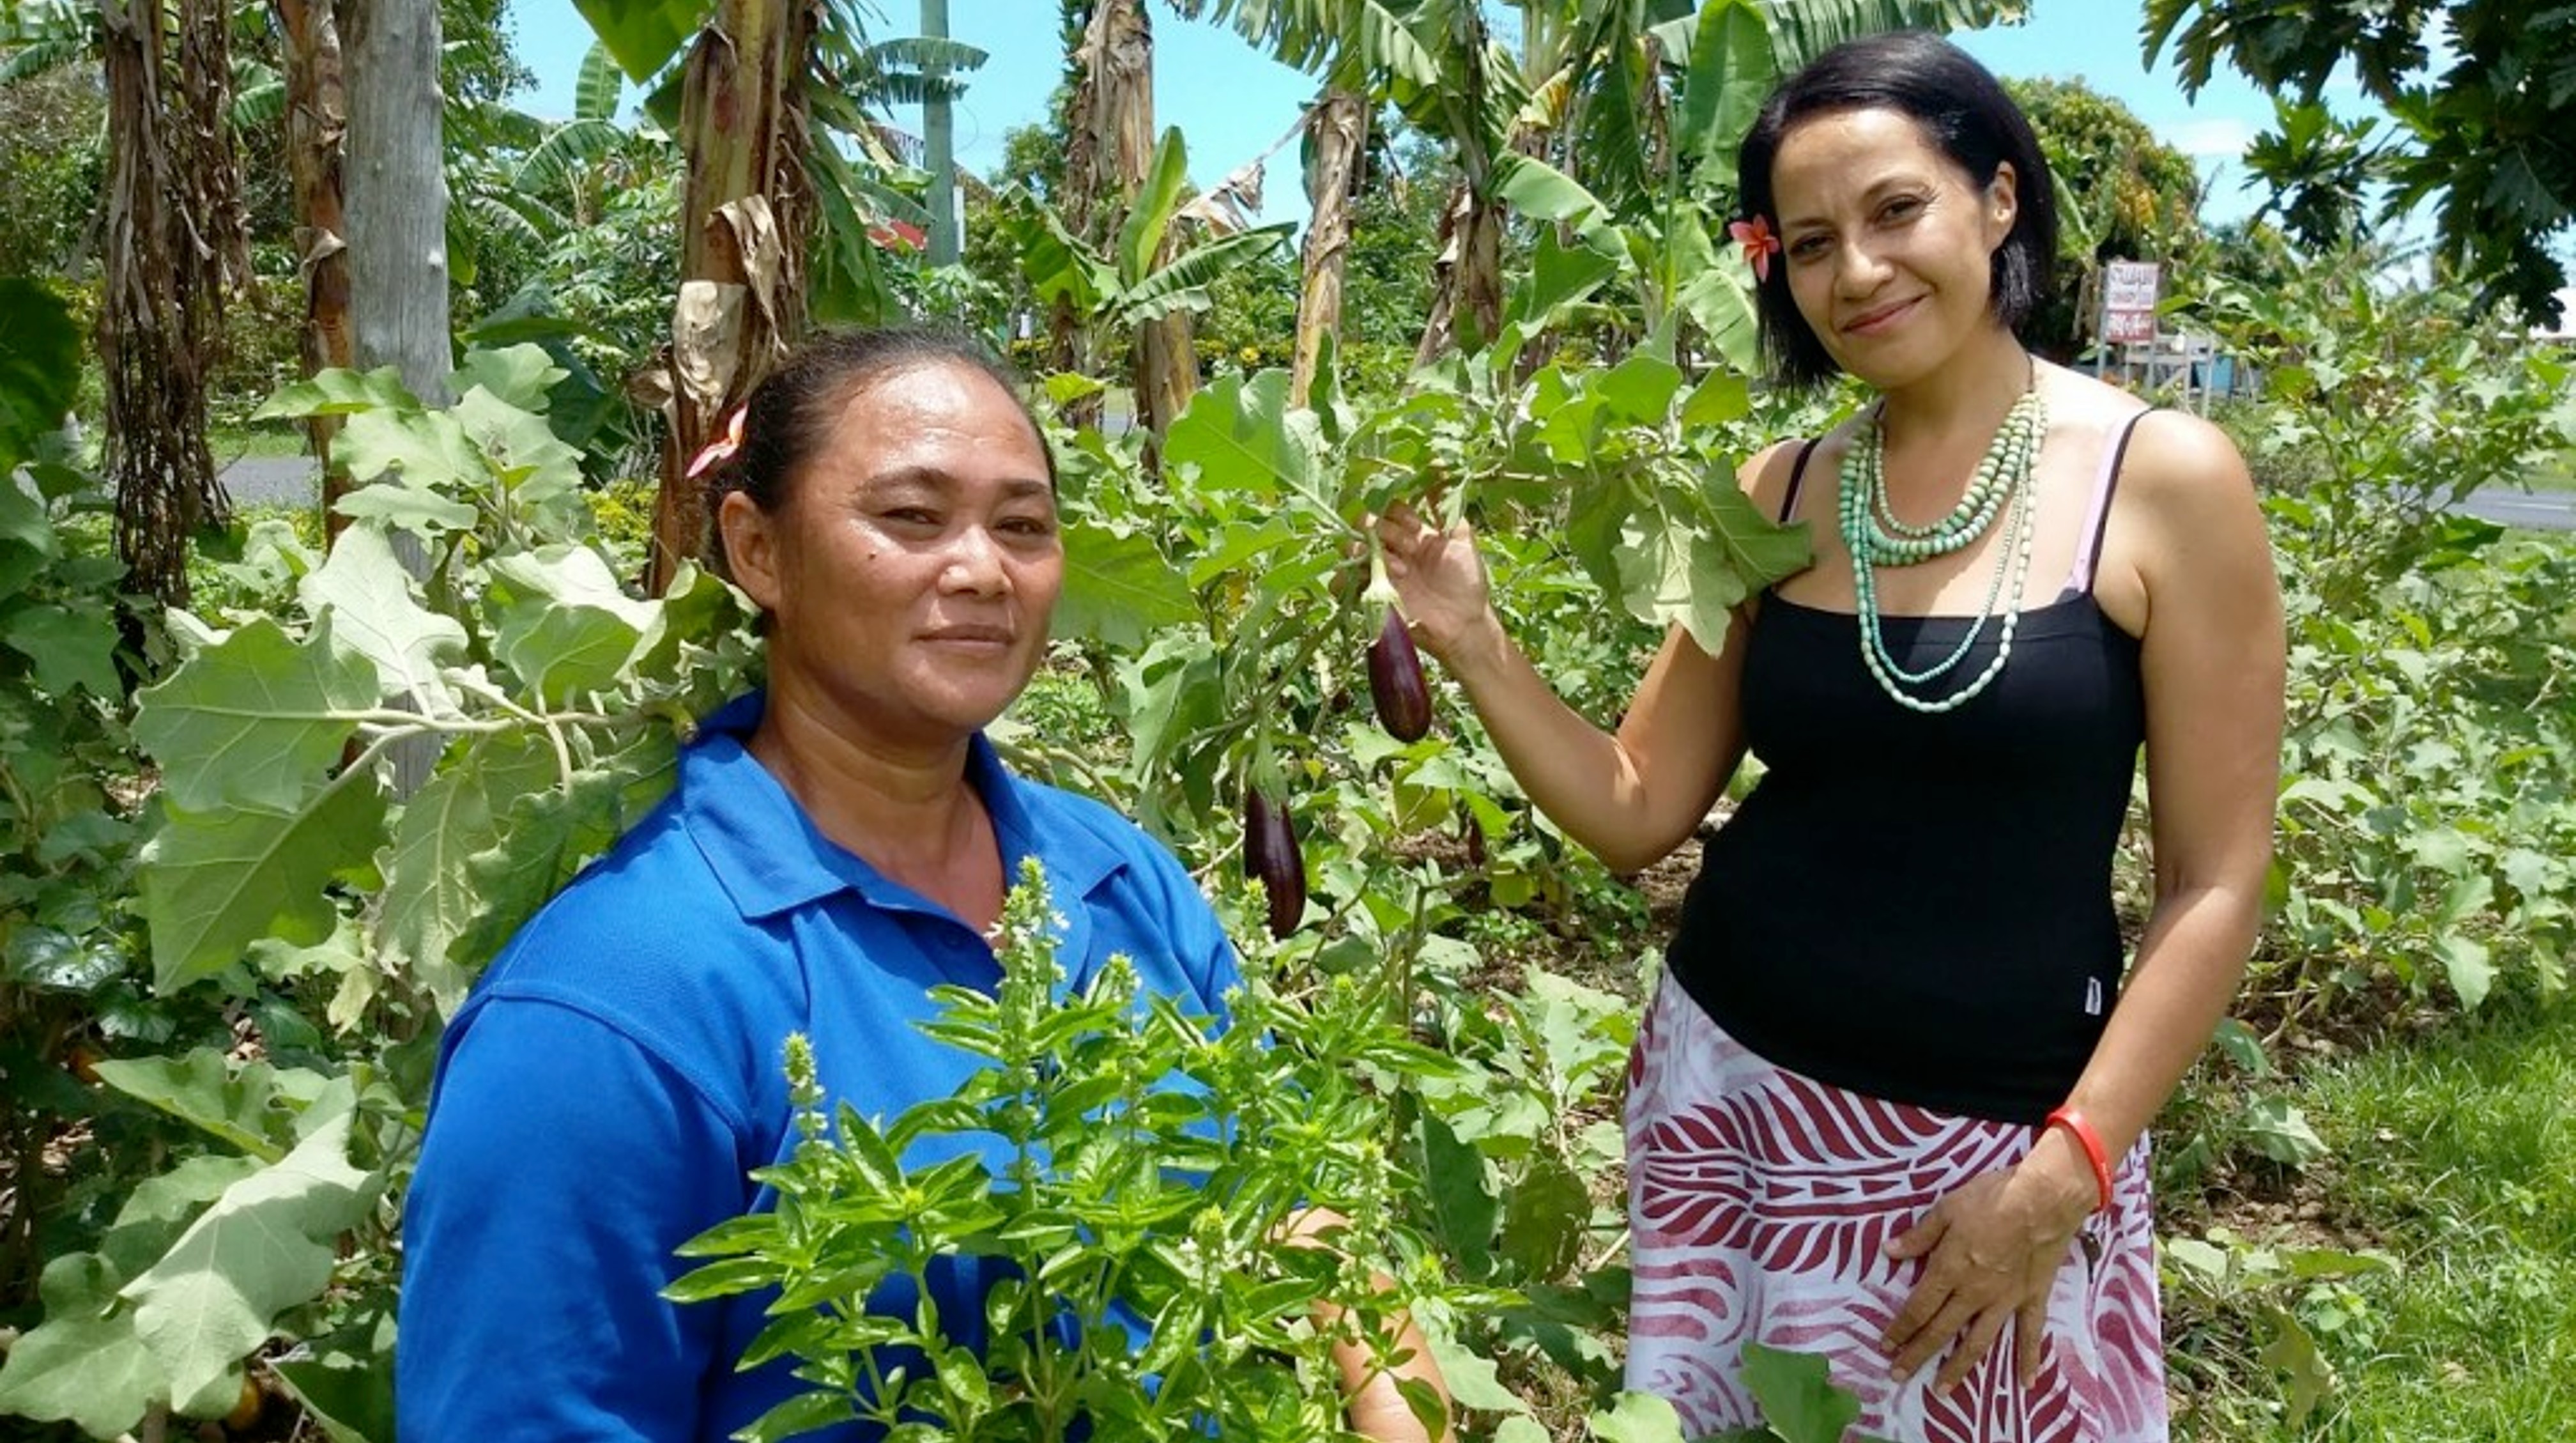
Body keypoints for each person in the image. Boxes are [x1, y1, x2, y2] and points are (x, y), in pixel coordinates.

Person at [1374, 31, 2282, 1443]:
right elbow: (1632, 805)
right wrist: (1474, 638)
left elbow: (2214, 881)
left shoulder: (2161, 479)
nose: (1855, 271)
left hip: (2001, 1146)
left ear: (1996, 199)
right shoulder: (1781, 487)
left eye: (1895, 211)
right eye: (1808, 243)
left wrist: (2065, 1174)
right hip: (1734, 1100)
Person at [399, 327, 1450, 1442]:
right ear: (758, 550)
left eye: (1024, 526)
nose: (983, 569)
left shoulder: (1116, 873)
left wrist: (1399, 1409)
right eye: (911, 516)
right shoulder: (609, 1009)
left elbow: (1299, 1201)